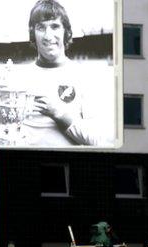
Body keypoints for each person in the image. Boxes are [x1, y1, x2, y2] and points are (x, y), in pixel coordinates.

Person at [18, 0, 106, 146]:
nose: (48, 36)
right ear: (33, 33)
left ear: (66, 32)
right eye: (41, 28)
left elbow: (96, 140)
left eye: (55, 27)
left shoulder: (86, 77)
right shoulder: (19, 77)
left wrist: (58, 114)